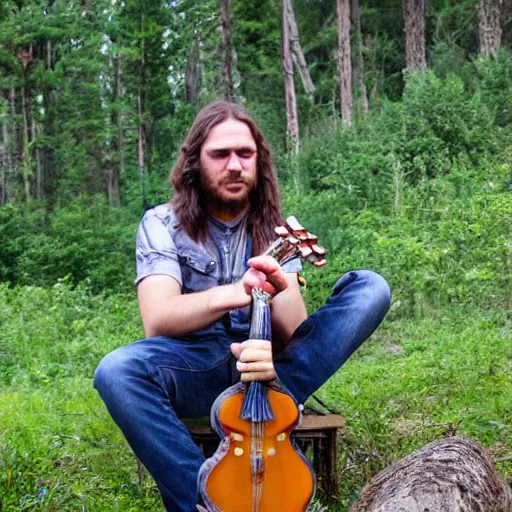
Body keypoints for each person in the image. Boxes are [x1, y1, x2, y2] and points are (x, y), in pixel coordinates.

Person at [94, 100, 391, 512]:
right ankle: (205, 502)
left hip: (270, 372)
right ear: (196, 162)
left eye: (244, 154)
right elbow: (159, 319)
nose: (234, 165)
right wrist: (240, 290)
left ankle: (278, 397)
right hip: (196, 367)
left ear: (259, 161)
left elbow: (295, 336)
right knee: (116, 371)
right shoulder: (160, 223)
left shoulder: (276, 229)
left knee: (371, 287)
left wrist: (276, 290)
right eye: (220, 154)